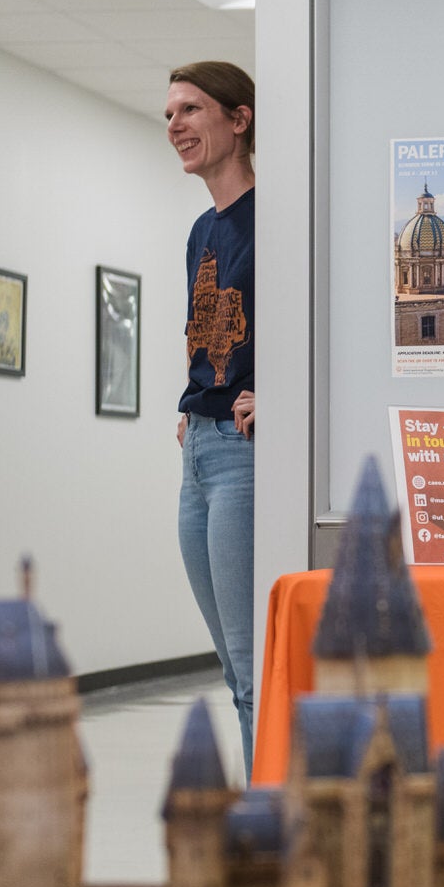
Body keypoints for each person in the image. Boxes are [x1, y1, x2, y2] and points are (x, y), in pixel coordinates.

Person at [167, 60, 258, 777]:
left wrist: (282, 395)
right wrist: (191, 400)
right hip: (200, 452)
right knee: (231, 667)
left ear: (239, 118)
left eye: (191, 110)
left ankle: (273, 818)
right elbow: (204, 329)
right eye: (169, 114)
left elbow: (316, 326)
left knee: (254, 669)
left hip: (245, 455)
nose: (175, 125)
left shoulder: (276, 217)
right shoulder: (203, 229)